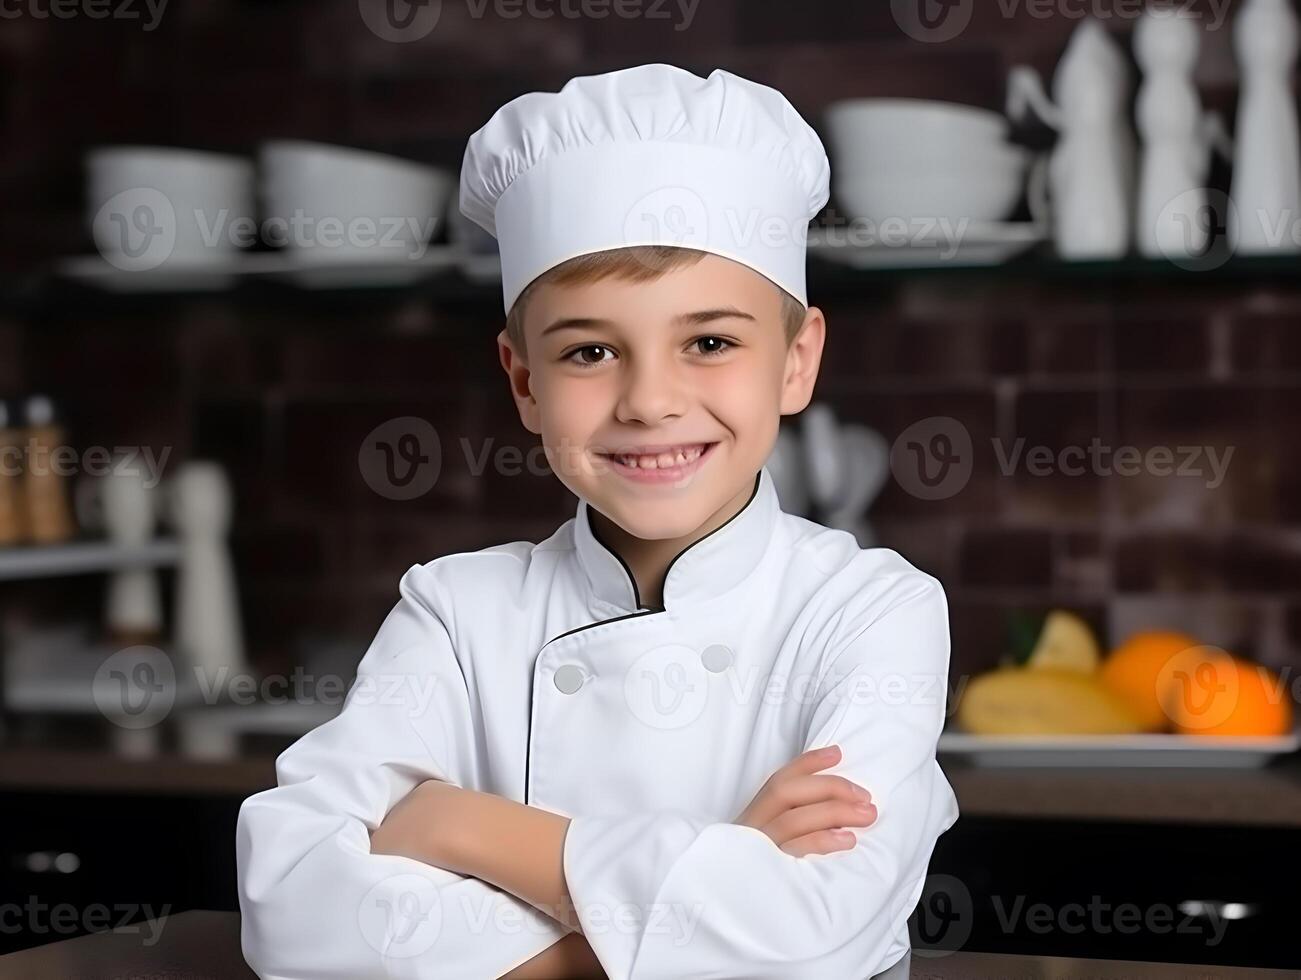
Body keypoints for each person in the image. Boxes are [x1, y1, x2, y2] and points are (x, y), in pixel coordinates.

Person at [236, 62, 959, 980]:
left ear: (796, 361)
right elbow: (292, 907)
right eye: (589, 351)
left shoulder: (870, 609)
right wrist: (695, 895)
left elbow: (815, 933)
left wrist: (464, 828)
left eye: (709, 342)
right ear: (524, 381)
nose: (650, 402)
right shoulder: (456, 613)